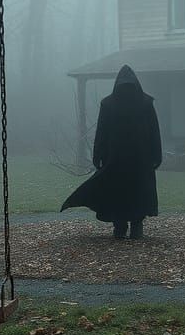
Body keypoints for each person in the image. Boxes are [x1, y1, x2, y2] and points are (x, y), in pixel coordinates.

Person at [61, 65, 162, 239]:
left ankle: (120, 226)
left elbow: (102, 132)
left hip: (116, 160)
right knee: (138, 191)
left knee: (118, 192)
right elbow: (154, 132)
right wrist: (156, 156)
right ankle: (136, 226)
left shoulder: (109, 104)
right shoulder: (145, 103)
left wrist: (98, 155)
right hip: (140, 160)